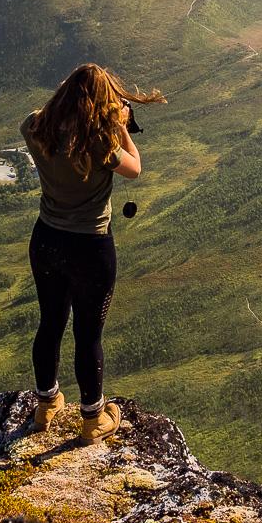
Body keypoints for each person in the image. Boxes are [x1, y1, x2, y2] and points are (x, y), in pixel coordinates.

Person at [19, 62, 164, 443]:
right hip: (90, 247)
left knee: (50, 322)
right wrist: (120, 127)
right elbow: (134, 169)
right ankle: (92, 419)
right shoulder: (99, 143)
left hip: (46, 240)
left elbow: (48, 111)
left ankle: (47, 404)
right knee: (88, 335)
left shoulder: (36, 128)